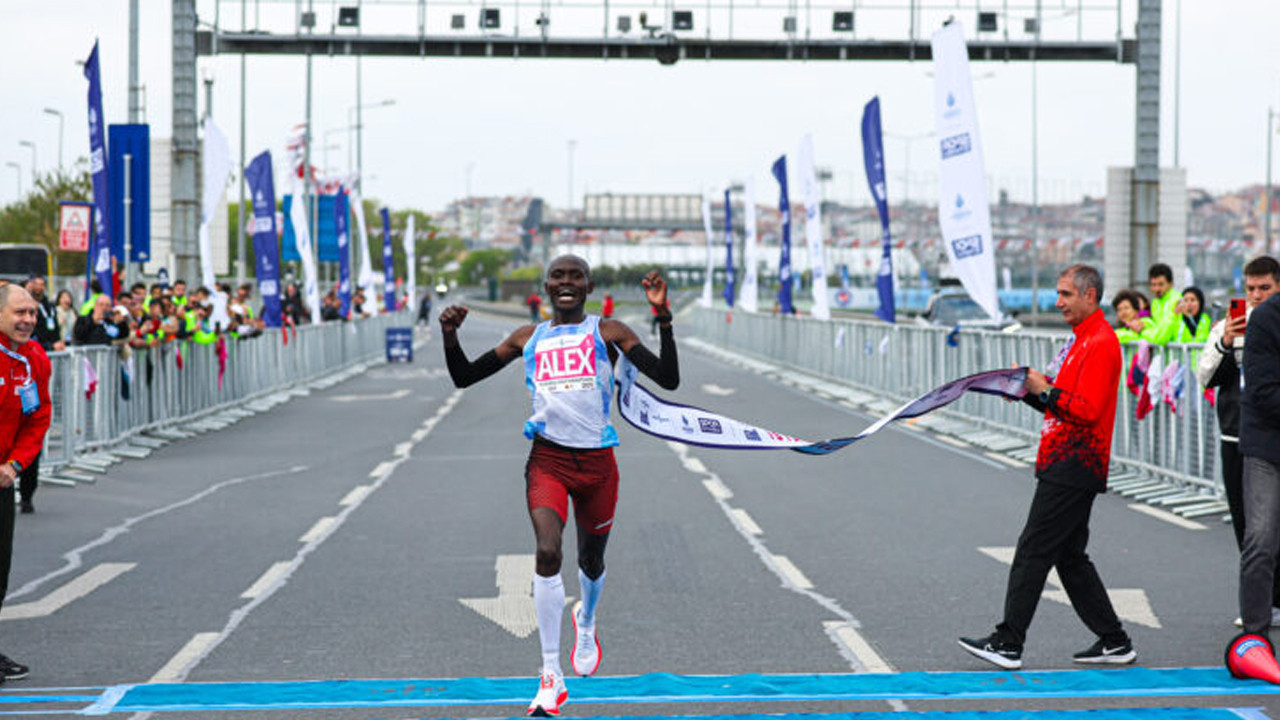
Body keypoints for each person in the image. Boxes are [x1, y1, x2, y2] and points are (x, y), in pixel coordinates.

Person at [439, 255, 678, 717]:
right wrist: (450, 336)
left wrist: (663, 317)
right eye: (557, 277)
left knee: (591, 559)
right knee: (548, 552)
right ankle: (551, 675)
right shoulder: (528, 338)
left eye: (575, 277)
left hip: (598, 466)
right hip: (547, 460)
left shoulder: (609, 332)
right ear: (546, 286)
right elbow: (463, 377)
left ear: (588, 286)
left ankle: (585, 620)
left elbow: (668, 378)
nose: (566, 283)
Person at [959, 264, 1135, 670]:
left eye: (1066, 295)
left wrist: (1044, 389)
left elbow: (1087, 411)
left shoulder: (1101, 342)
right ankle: (1114, 640)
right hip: (1063, 457)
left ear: (1090, 296)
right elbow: (1059, 402)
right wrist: (1025, 392)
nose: (1058, 303)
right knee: (1070, 556)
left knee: (1034, 548)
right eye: (1058, 294)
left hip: (1075, 462)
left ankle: (1008, 641)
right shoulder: (1079, 340)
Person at [1197, 256, 1280, 626]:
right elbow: (1205, 375)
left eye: (1265, 288)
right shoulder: (1226, 326)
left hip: (1264, 434)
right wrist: (1227, 341)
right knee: (1250, 527)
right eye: (1251, 289)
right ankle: (1258, 607)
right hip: (1238, 435)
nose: (1257, 295)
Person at [0, 284, 53, 681]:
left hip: (3, 478)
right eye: (20, 312)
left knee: (0, 571)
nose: (28, 320)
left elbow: (38, 416)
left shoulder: (34, 356)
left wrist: (15, 465)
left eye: (32, 313)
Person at [1238, 280, 1280, 640]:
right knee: (1261, 539)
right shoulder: (1266, 319)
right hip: (1268, 444)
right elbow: (1263, 391)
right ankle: (1255, 635)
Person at [1147, 263, 1177, 327]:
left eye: (1161, 284)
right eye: (1153, 285)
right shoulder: (1155, 302)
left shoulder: (1177, 300)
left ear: (1171, 284)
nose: (1157, 289)